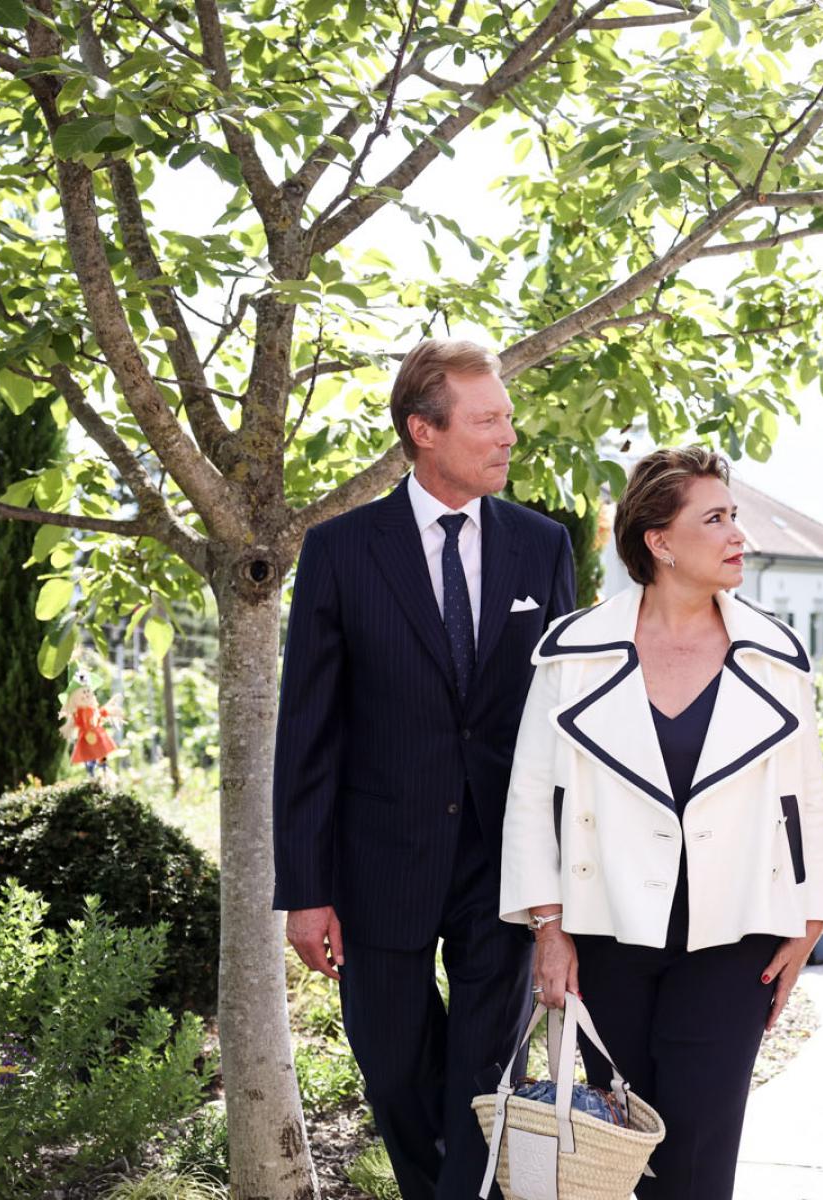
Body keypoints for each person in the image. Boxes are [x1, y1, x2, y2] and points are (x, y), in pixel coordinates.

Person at [272, 339, 576, 1200]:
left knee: (483, 1079)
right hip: (378, 865)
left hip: (503, 863)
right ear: (424, 431)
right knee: (395, 1071)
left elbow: (561, 719)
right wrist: (306, 886)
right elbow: (307, 730)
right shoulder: (340, 551)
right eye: (488, 421)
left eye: (507, 417)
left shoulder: (541, 546)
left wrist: (562, 878)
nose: (508, 436)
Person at [501, 446, 823, 1200]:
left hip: (735, 938)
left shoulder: (773, 655)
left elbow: (806, 796)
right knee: (619, 1148)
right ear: (658, 542)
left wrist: (814, 919)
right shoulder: (573, 652)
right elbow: (531, 798)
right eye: (716, 518)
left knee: (699, 1152)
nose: (739, 536)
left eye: (735, 516)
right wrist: (548, 928)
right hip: (609, 931)